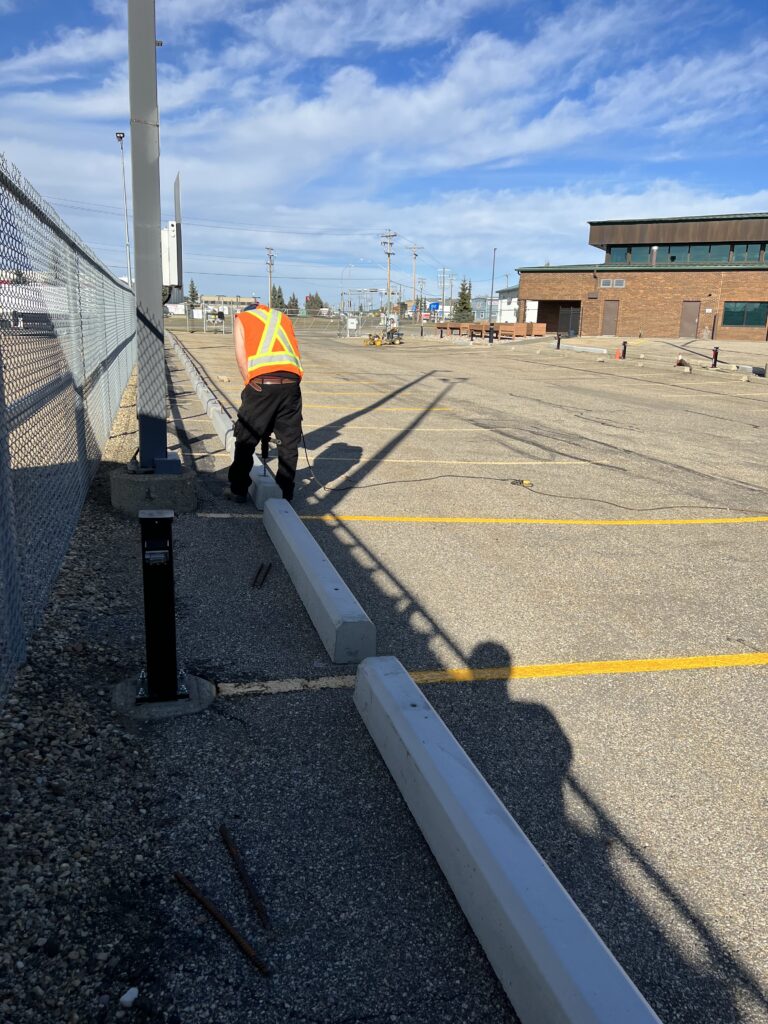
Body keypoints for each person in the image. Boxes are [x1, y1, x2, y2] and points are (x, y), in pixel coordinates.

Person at [225, 300, 303, 503]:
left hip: (262, 383)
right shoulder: (282, 317)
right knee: (288, 442)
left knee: (246, 437)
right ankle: (285, 494)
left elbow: (241, 357)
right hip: (291, 383)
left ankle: (238, 489)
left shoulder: (242, 318)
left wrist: (248, 386)